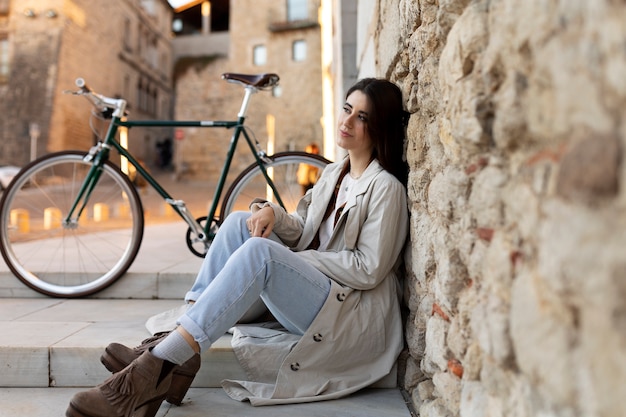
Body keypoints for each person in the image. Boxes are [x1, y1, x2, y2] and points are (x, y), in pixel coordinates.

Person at [65, 78, 410, 417]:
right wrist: (271, 212)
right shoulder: (336, 174)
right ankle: (181, 352)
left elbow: (369, 268)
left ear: (379, 127)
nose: (347, 121)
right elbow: (304, 227)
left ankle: (153, 369)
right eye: (347, 109)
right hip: (312, 293)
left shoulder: (386, 188)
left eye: (361, 117)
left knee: (261, 253)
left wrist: (294, 258)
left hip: (343, 310)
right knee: (236, 222)